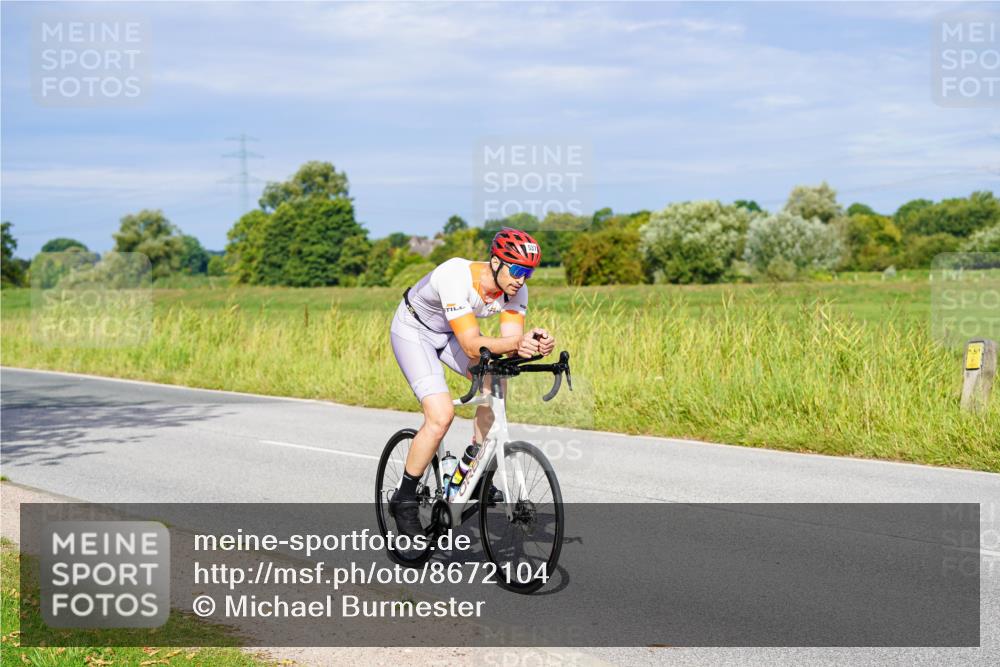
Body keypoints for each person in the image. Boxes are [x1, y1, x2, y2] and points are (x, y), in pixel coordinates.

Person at [388, 227, 556, 536]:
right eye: (517, 269)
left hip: (449, 333)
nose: (521, 279)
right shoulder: (456, 275)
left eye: (528, 273)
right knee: (440, 417)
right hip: (414, 331)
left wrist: (534, 347)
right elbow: (470, 346)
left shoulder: (516, 290)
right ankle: (404, 498)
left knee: (496, 381)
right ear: (495, 262)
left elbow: (509, 344)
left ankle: (472, 473)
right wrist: (519, 343)